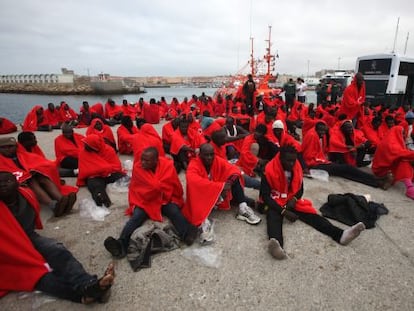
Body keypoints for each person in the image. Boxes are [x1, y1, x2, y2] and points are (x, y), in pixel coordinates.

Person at [0, 171, 115, 303]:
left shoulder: (26, 195)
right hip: (7, 252)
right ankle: (84, 295)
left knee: (57, 250)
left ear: (17, 182)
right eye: (0, 183)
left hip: (27, 237)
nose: (3, 185)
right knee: (36, 275)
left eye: (8, 181)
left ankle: (86, 283)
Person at [260, 145, 366, 260]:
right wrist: (284, 212)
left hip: (290, 199)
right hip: (274, 200)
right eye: (288, 161)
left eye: (293, 160)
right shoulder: (268, 170)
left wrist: (294, 199)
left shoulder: (296, 167)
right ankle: (277, 246)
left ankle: (341, 235)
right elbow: (265, 196)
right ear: (280, 158)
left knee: (313, 217)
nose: (291, 164)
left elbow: (300, 189)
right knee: (273, 216)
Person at [104, 147, 198, 258]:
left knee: (174, 211)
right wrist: (155, 187)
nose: (142, 162)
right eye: (142, 159)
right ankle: (121, 244)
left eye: (146, 160)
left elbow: (174, 183)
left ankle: (186, 234)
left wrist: (175, 196)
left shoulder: (167, 165)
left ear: (156, 161)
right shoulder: (138, 167)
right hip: (145, 200)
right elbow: (137, 188)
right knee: (136, 217)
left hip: (164, 197)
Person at [182, 143, 261, 243]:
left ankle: (243, 207)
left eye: (211, 154)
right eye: (206, 155)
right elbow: (193, 181)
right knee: (196, 190)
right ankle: (203, 221)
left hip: (219, 193)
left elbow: (234, 170)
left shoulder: (217, 160)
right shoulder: (194, 164)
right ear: (200, 155)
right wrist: (220, 187)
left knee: (236, 178)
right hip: (203, 195)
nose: (210, 157)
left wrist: (227, 184)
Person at [0, 137, 76, 217]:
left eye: (10, 146)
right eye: (3, 147)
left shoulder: (24, 155)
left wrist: (36, 171)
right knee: (32, 181)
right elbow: (5, 174)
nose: (7, 149)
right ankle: (53, 205)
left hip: (32, 175)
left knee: (43, 178)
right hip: (18, 182)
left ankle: (62, 200)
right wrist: (25, 175)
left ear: (16, 146)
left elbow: (42, 164)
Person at [302, 121, 392, 189]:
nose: (323, 134)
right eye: (321, 131)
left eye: (324, 132)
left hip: (319, 161)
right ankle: (376, 179)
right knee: (347, 169)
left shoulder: (316, 134)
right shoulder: (312, 136)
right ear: (316, 129)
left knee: (345, 172)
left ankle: (376, 182)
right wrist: (324, 161)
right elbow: (309, 156)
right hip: (314, 164)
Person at [77, 134, 126, 207]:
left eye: (87, 145)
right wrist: (102, 168)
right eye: (85, 144)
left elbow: (117, 166)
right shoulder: (83, 153)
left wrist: (105, 169)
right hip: (94, 176)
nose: (85, 146)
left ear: (95, 147)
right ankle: (102, 199)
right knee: (95, 185)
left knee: (124, 178)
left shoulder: (108, 150)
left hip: (109, 173)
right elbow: (84, 171)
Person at [372, 126, 414, 199]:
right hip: (380, 171)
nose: (404, 135)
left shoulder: (391, 141)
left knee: (405, 159)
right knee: (403, 161)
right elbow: (402, 154)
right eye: (402, 133)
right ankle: (410, 187)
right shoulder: (390, 144)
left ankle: (408, 181)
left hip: (387, 166)